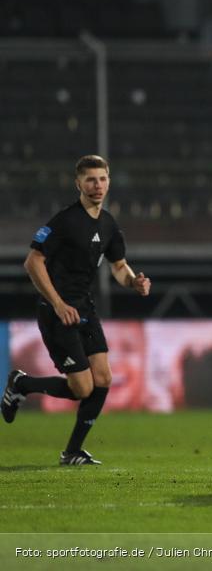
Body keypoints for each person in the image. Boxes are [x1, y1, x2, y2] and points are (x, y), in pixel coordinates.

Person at [2, 155, 151, 465]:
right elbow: (33, 261)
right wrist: (57, 303)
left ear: (109, 181)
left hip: (85, 308)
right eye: (90, 180)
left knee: (103, 379)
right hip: (57, 312)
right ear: (78, 184)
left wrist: (133, 281)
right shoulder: (65, 221)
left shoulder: (108, 224)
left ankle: (72, 452)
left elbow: (119, 266)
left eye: (102, 179)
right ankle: (21, 384)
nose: (97, 186)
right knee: (82, 387)